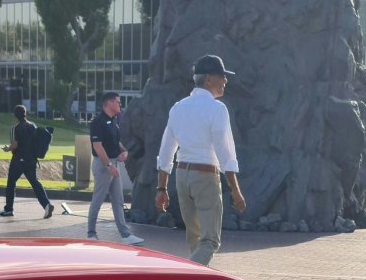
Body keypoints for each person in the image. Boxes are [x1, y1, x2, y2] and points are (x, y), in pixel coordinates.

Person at [155, 54, 246, 265]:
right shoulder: (217, 109)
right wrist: (235, 190)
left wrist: (161, 189)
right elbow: (226, 154)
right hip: (205, 177)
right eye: (221, 76)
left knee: (195, 240)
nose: (225, 81)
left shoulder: (178, 107)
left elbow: (167, 150)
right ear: (208, 80)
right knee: (210, 241)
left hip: (182, 176)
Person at [85, 92, 144, 245]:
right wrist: (109, 165)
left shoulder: (114, 121)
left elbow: (116, 142)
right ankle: (91, 233)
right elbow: (97, 147)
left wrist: (123, 151)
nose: (120, 105)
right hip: (103, 165)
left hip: (113, 164)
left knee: (118, 200)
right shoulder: (98, 122)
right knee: (98, 199)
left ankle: (125, 235)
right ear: (109, 103)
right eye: (118, 102)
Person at [0, 104, 53, 219]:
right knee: (35, 183)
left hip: (18, 160)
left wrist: (7, 149)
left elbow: (15, 145)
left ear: (15, 115)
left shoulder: (15, 128)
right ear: (25, 113)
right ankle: (46, 205)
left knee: (11, 183)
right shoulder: (32, 125)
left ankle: (9, 209)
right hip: (32, 160)